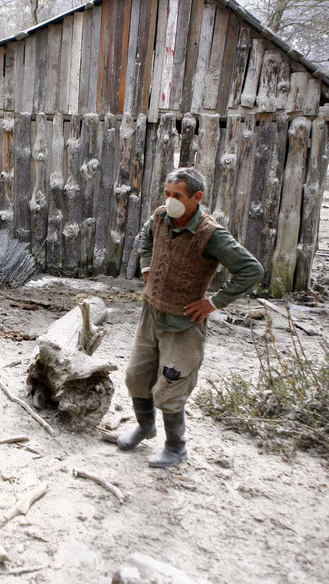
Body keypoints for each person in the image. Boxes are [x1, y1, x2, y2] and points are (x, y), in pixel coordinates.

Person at [104, 166, 263, 468]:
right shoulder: (162, 217)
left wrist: (214, 303)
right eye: (166, 193)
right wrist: (147, 266)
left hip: (184, 324)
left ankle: (176, 447)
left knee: (170, 389)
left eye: (177, 195)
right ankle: (145, 427)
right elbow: (146, 237)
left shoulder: (211, 235)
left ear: (197, 197)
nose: (169, 200)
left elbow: (251, 270)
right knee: (136, 377)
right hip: (151, 313)